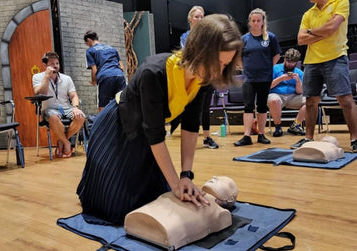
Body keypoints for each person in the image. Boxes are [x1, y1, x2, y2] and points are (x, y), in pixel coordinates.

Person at [76, 14, 243, 224]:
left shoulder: (205, 78)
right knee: (118, 209)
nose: (220, 71)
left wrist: (185, 176)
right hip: (117, 126)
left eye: (225, 65)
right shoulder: (153, 72)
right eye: (217, 62)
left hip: (145, 132)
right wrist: (176, 185)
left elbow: (191, 127)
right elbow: (155, 136)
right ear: (200, 50)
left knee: (155, 196)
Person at [291, 0, 357, 153]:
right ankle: (308, 138)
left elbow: (332, 28)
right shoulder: (308, 13)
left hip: (336, 57)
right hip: (311, 61)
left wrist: (311, 31)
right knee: (311, 101)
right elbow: (300, 39)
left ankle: (355, 140)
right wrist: (323, 31)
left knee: (345, 99)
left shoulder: (341, 2)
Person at [234, 8, 281, 147]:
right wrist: (245, 68)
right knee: (248, 106)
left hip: (265, 78)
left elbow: (276, 54)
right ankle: (246, 136)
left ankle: (261, 134)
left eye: (258, 20)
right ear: (250, 22)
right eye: (253, 20)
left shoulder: (270, 37)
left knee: (261, 106)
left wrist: (268, 66)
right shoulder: (244, 39)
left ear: (262, 22)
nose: (255, 23)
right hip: (249, 78)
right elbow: (237, 56)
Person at [33, 51, 86, 158]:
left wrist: (75, 107)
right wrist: (47, 78)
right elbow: (40, 92)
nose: (55, 66)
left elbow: (74, 96)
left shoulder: (67, 79)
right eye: (52, 64)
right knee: (53, 117)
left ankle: (61, 141)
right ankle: (67, 143)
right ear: (45, 65)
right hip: (49, 109)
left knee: (81, 117)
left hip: (66, 108)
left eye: (57, 63)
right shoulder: (37, 77)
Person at [180, 6, 218, 149]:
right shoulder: (185, 36)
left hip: (208, 75)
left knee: (206, 108)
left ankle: (207, 138)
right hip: (193, 77)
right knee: (192, 108)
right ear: (190, 19)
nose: (200, 19)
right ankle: (190, 139)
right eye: (197, 16)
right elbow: (187, 55)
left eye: (202, 17)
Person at [84, 30, 126, 112]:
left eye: (86, 43)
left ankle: (103, 124)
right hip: (119, 75)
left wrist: (93, 81)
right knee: (122, 102)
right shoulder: (112, 49)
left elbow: (94, 69)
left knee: (103, 105)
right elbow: (122, 67)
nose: (87, 45)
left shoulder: (90, 51)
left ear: (89, 40)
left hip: (105, 76)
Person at [268, 48, 306, 137]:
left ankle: (295, 125)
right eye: (288, 61)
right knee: (274, 100)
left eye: (292, 62)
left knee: (309, 101)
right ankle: (278, 127)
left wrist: (297, 81)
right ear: (284, 59)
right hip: (276, 94)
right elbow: (268, 86)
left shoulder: (299, 73)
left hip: (292, 96)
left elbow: (299, 91)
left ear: (296, 62)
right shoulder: (275, 68)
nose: (290, 64)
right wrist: (281, 78)